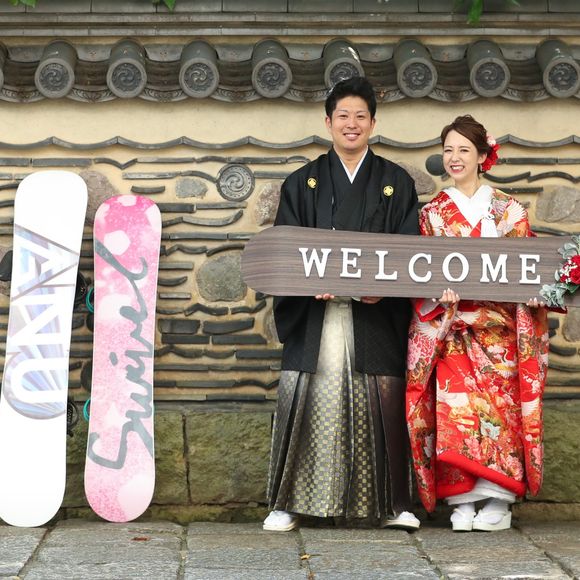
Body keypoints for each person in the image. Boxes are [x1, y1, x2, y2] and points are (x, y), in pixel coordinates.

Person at [263, 77, 420, 532]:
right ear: (328, 121)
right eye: (343, 116)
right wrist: (307, 283)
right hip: (317, 317)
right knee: (310, 405)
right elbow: (286, 251)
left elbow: (409, 253)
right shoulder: (302, 182)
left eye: (360, 116)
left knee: (380, 406)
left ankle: (392, 504)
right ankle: (289, 502)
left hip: (375, 315)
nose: (352, 124)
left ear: (373, 123)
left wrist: (385, 290)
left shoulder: (395, 182)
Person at [406, 115, 549, 532]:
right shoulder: (432, 213)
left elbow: (527, 268)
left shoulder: (509, 209)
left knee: (500, 414)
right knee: (457, 413)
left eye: (464, 150)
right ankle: (462, 500)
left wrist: (534, 295)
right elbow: (420, 272)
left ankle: (498, 499)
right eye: (448, 150)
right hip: (453, 329)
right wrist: (439, 298)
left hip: (499, 332)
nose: (454, 158)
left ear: (483, 156)